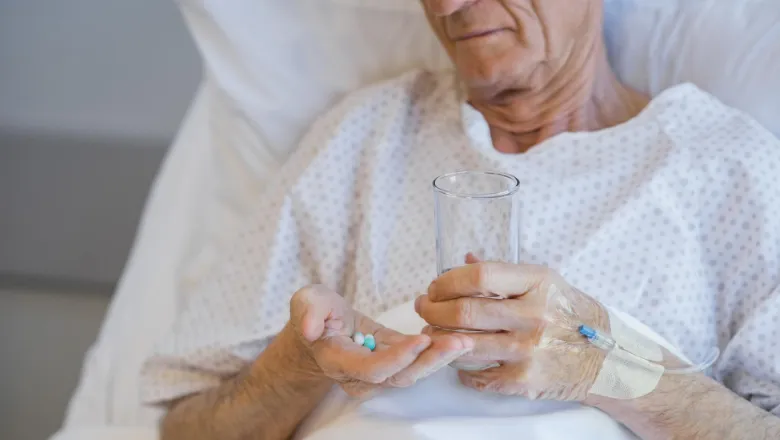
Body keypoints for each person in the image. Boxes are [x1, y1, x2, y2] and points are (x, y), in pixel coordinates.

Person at [140, 1, 780, 439]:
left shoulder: (723, 169)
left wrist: (605, 366)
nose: (447, 5)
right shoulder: (366, 140)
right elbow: (185, 427)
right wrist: (299, 366)